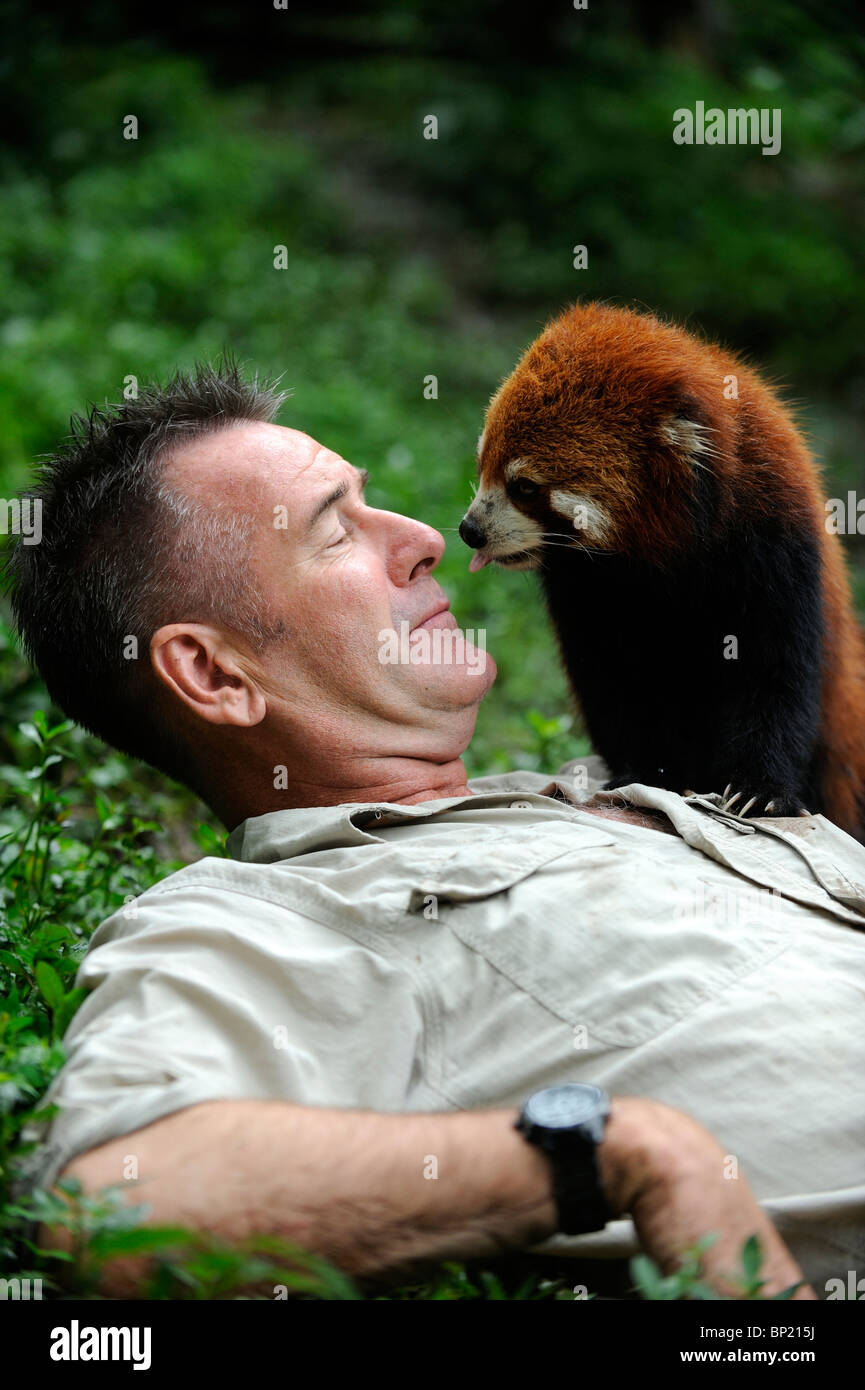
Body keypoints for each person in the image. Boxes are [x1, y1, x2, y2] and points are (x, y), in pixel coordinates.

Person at [6, 364, 864, 1301]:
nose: (424, 539)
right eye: (337, 528)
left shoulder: (625, 787)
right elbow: (114, 1201)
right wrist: (611, 1154)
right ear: (216, 676)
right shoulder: (270, 920)